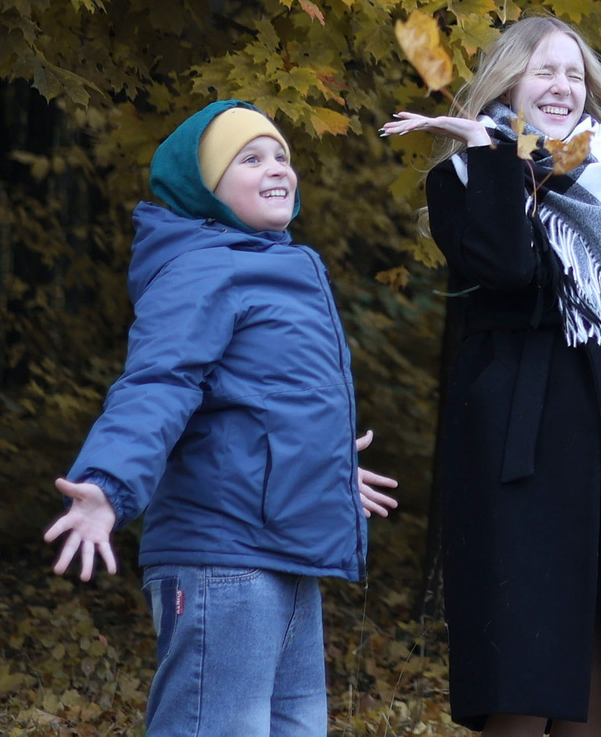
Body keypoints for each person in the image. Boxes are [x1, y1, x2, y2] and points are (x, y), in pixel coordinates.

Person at [385, 15, 601, 737]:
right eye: (545, 70)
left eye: (575, 73)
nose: (562, 85)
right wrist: (491, 153)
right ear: (510, 80)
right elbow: (509, 266)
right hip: (515, 419)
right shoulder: (462, 174)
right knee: (521, 629)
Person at [43, 100, 399, 737]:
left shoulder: (278, 268)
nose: (278, 169)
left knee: (297, 727)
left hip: (286, 554)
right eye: (250, 157)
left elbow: (266, 407)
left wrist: (327, 469)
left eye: (283, 156)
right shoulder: (204, 268)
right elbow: (158, 384)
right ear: (204, 187)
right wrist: (107, 486)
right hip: (223, 557)